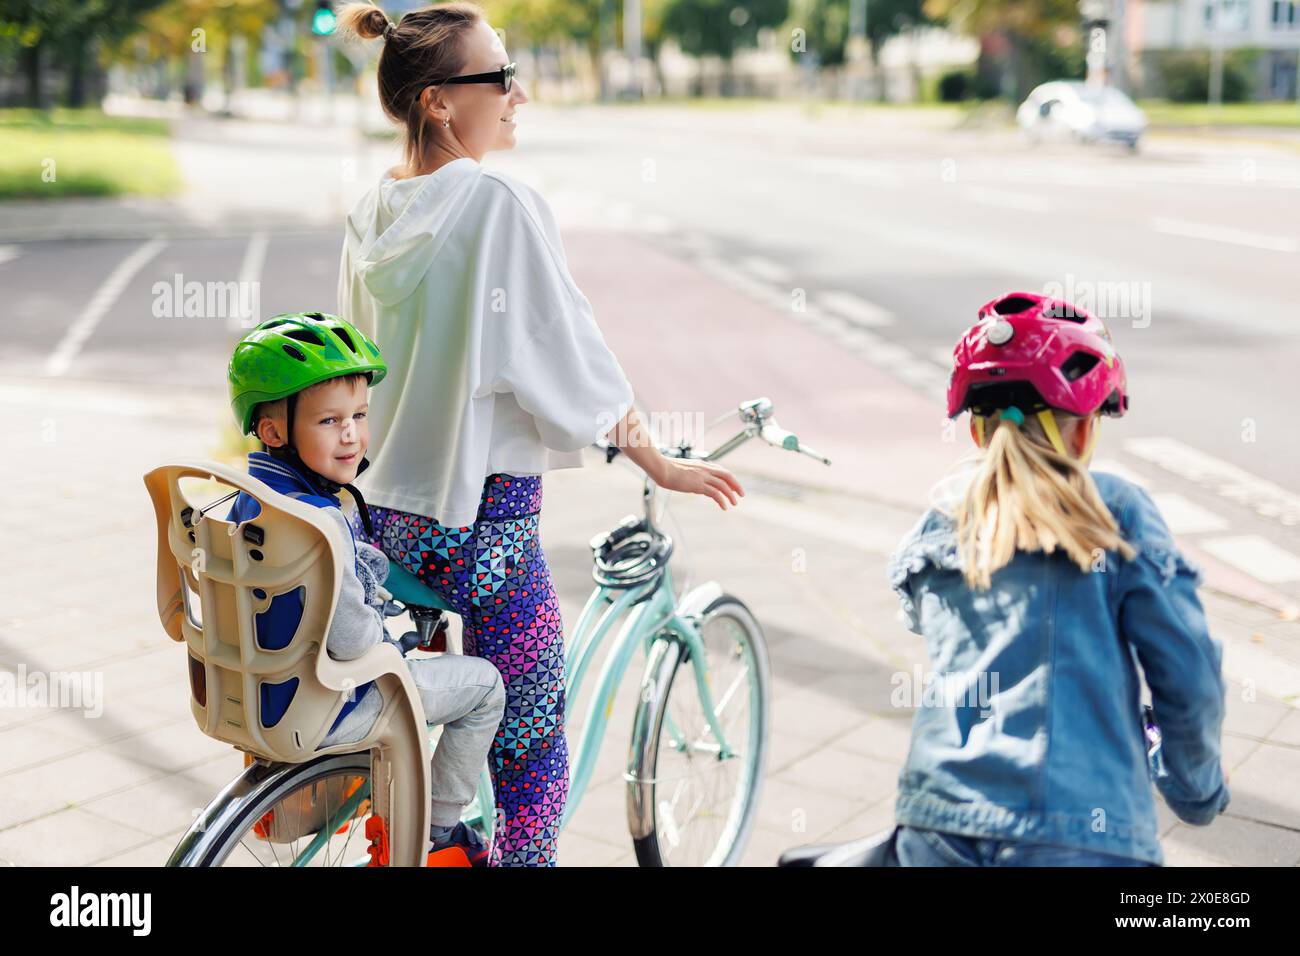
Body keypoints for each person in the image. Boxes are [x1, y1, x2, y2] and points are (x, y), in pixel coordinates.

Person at [333, 2, 744, 866]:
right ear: (440, 102)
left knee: (446, 719)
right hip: (479, 525)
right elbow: (569, 360)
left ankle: (433, 832)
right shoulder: (496, 203)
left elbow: (357, 365)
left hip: (382, 518)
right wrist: (657, 461)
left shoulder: (372, 209)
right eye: (501, 77)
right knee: (533, 747)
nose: (519, 94)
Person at [883, 291, 1229, 867]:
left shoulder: (939, 521)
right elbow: (1188, 673)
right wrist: (1196, 788)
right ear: (1081, 433)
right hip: (1077, 831)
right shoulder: (1113, 512)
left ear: (976, 430)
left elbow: (930, 623)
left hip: (934, 822)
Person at [226, 312, 507, 866]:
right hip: (331, 699)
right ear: (275, 430)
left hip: (263, 689)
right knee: (486, 687)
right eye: (329, 420)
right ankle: (438, 828)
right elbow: (354, 643)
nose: (351, 433)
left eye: (359, 414)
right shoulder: (321, 520)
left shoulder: (249, 501)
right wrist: (386, 628)